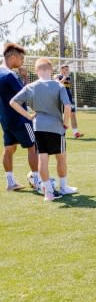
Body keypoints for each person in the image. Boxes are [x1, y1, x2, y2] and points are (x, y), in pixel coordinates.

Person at [9, 58, 77, 201]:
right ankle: (63, 187)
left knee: (43, 159)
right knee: (61, 157)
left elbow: (13, 102)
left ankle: (48, 193)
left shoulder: (30, 87)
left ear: (36, 71)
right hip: (56, 127)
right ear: (51, 70)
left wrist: (28, 116)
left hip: (38, 126)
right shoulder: (59, 86)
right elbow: (68, 107)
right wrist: (65, 123)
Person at [0, 43, 40, 191]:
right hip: (20, 118)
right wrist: (25, 77)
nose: (23, 61)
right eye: (21, 58)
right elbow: (25, 94)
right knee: (33, 146)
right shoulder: (10, 75)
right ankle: (37, 181)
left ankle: (10, 183)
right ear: (13, 57)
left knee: (9, 149)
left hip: (5, 120)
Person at [57, 64, 83, 138]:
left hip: (69, 99)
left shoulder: (69, 78)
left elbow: (67, 88)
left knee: (73, 114)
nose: (68, 71)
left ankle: (76, 133)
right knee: (60, 116)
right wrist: (64, 77)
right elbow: (58, 84)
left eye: (68, 69)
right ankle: (60, 132)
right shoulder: (57, 76)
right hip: (61, 100)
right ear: (61, 70)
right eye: (66, 69)